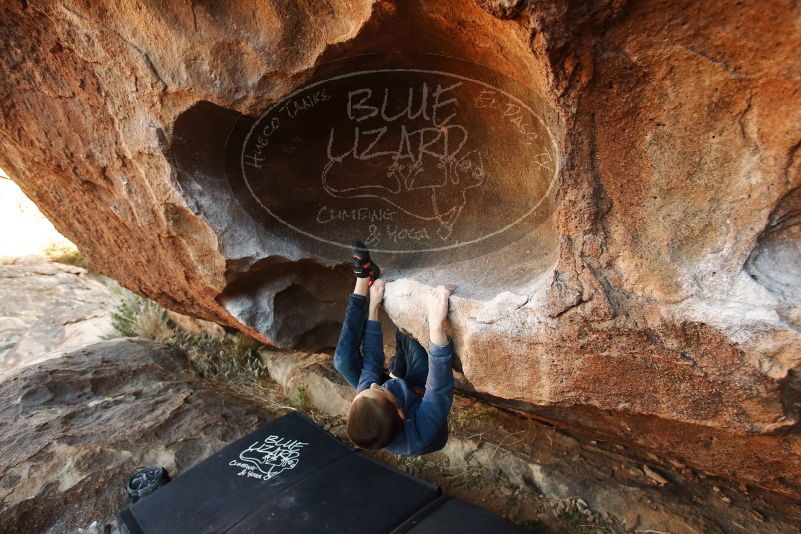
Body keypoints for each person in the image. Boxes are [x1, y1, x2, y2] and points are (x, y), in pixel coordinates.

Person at [333, 241, 455, 456]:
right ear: (400, 412)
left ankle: (364, 277)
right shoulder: (421, 431)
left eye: (365, 391)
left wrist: (373, 308)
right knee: (410, 335)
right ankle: (400, 370)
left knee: (342, 360)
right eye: (379, 388)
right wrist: (436, 324)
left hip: (401, 391)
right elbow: (439, 388)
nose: (373, 384)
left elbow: (371, 364)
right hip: (421, 390)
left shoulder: (371, 397)